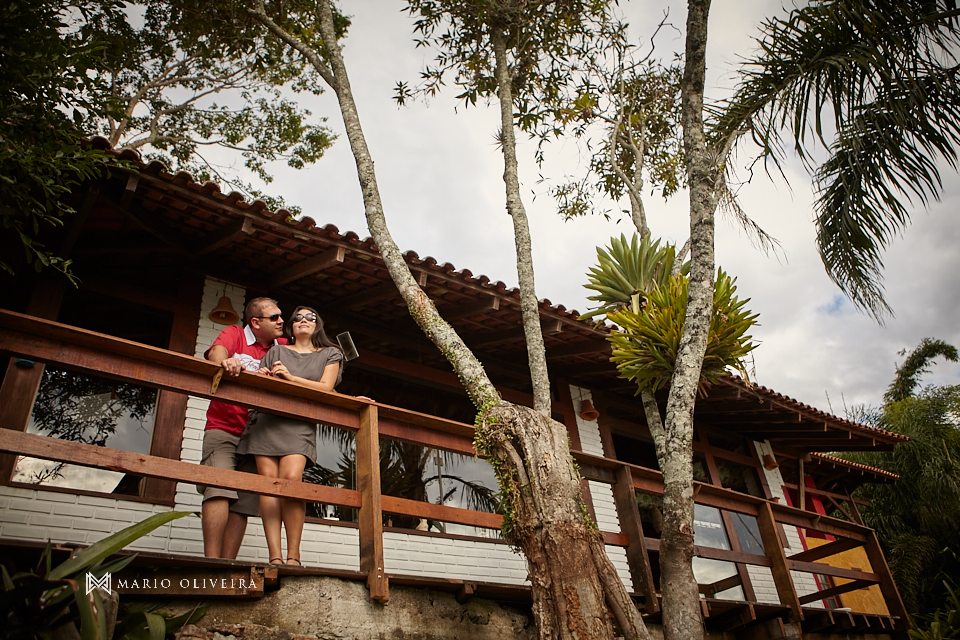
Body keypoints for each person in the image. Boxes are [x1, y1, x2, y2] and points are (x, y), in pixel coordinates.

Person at [238, 306, 343, 566]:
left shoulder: (331, 354)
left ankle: (294, 556)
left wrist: (290, 377)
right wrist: (262, 376)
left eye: (310, 317)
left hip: (299, 423)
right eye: (297, 317)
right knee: (269, 484)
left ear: (318, 324)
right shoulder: (276, 350)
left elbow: (326, 389)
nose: (304, 320)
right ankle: (274, 555)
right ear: (291, 326)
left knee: (293, 481)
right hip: (267, 422)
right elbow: (261, 387)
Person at [199, 297, 286, 558]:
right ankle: (211, 563)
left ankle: (227, 565)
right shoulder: (234, 333)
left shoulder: (282, 346)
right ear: (255, 322)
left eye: (281, 316)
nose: (282, 321)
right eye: (274, 317)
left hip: (258, 437)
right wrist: (227, 360)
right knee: (218, 489)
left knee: (243, 504)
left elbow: (309, 369)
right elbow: (216, 353)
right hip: (223, 427)